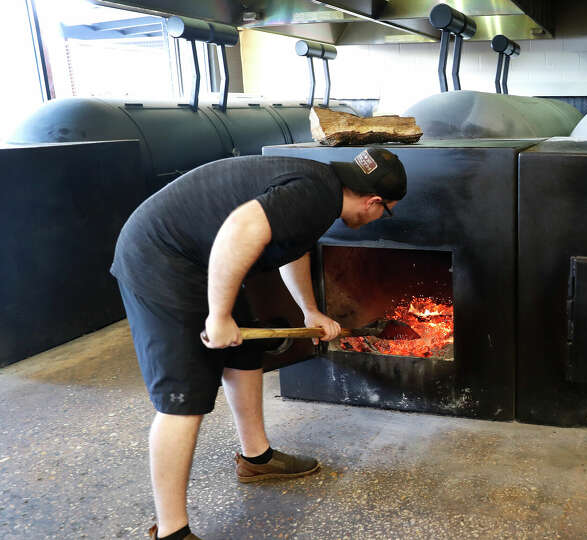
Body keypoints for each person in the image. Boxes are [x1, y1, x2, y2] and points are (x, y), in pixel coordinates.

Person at [110, 148, 407, 540]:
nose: (380, 217)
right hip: (161, 260)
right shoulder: (315, 194)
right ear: (373, 202)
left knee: (246, 352)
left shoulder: (324, 190)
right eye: (386, 211)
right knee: (183, 397)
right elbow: (241, 228)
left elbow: (292, 246)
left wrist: (310, 311)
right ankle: (172, 531)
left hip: (203, 258)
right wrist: (218, 316)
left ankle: (257, 459)